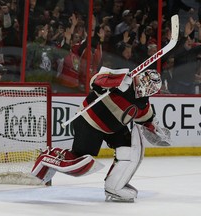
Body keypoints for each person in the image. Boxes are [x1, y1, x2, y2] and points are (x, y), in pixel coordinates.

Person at [32, 67, 172, 202]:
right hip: (90, 121)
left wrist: (157, 130)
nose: (147, 90)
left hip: (114, 128)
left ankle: (114, 187)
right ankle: (48, 156)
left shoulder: (143, 103)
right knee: (78, 162)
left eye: (152, 90)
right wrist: (114, 82)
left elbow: (147, 120)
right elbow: (95, 81)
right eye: (148, 85)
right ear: (141, 79)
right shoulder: (123, 80)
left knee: (130, 149)